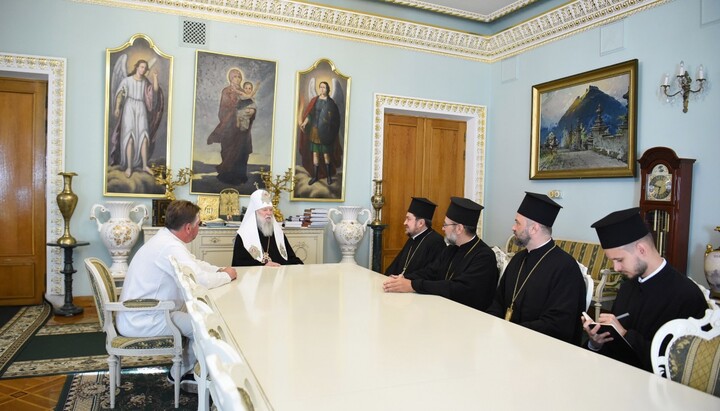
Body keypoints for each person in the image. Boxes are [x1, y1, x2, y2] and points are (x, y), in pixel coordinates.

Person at [116, 200, 237, 391]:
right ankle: (189, 375)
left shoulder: (167, 239)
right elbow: (199, 280)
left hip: (148, 312)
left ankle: (185, 371)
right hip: (144, 318)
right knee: (207, 327)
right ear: (188, 227)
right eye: (199, 224)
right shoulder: (169, 246)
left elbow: (193, 263)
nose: (199, 228)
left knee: (201, 318)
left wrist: (219, 270)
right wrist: (227, 276)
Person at [583, 207, 707, 371]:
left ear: (642, 249)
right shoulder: (627, 287)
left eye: (619, 260)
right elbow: (614, 346)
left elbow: (681, 365)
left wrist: (626, 335)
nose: (616, 268)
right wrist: (597, 342)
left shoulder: (686, 295)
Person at [486, 192, 586, 344]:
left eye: (517, 223)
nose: (513, 228)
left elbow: (557, 325)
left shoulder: (565, 268)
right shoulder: (518, 259)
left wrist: (513, 332)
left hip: (542, 349)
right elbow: (498, 302)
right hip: (507, 341)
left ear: (534, 228)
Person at [383, 197, 498, 311]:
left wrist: (412, 285)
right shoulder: (451, 250)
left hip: (470, 319)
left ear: (459, 228)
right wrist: (403, 279)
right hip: (444, 310)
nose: (442, 229)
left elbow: (457, 288)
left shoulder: (484, 256)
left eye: (445, 225)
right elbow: (430, 272)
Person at [110, 59, 164, 178]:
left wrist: (155, 77)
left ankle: (145, 165)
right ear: (136, 67)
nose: (143, 70)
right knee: (129, 138)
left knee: (144, 137)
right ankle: (129, 167)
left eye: (145, 68)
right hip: (129, 107)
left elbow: (154, 91)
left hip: (141, 108)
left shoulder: (145, 82)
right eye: (141, 67)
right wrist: (117, 107)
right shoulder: (127, 80)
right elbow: (119, 94)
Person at [207, 68, 255, 185]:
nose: (237, 79)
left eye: (239, 77)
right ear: (230, 78)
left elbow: (252, 107)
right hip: (229, 127)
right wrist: (235, 111)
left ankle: (240, 176)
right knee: (228, 151)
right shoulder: (226, 91)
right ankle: (227, 176)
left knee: (242, 152)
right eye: (235, 77)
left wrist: (251, 112)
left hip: (243, 129)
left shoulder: (244, 92)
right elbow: (223, 110)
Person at [232, 189, 304, 266]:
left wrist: (297, 263)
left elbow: (290, 257)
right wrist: (263, 266)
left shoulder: (278, 233)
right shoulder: (243, 235)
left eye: (270, 210)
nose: (269, 213)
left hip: (279, 275)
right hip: (256, 277)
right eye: (265, 210)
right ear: (255, 212)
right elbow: (239, 264)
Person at [385, 197, 446, 276]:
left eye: (408, 219)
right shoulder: (412, 239)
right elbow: (396, 264)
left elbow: (431, 273)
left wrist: (404, 280)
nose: (404, 223)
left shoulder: (437, 242)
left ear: (420, 223)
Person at [298, 80, 341, 185]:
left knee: (326, 155)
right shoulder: (315, 100)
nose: (322, 89)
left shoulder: (331, 103)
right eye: (321, 87)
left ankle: (329, 177)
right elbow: (310, 114)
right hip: (315, 130)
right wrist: (304, 122)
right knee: (315, 154)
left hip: (325, 132)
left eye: (324, 87)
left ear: (327, 89)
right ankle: (315, 176)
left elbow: (334, 119)